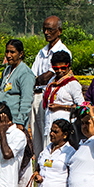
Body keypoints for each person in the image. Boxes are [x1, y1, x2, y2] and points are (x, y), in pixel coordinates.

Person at [29, 15, 72, 151]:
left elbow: (47, 77)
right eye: (44, 30)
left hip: (49, 97)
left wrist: (36, 80)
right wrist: (36, 80)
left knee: (48, 134)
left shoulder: (63, 52)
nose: (46, 33)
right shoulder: (41, 52)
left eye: (50, 30)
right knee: (36, 135)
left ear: (59, 31)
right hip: (35, 96)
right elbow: (32, 76)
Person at [40, 51, 83, 142]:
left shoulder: (73, 83)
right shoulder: (52, 81)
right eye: (56, 68)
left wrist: (61, 107)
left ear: (68, 66)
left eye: (63, 68)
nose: (59, 71)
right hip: (49, 126)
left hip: (64, 129)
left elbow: (81, 106)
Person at [0, 40, 36, 130]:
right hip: (2, 119)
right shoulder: (7, 70)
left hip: (15, 121)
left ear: (20, 54)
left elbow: (26, 99)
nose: (8, 55)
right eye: (7, 51)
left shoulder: (25, 73)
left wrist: (20, 122)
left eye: (12, 52)